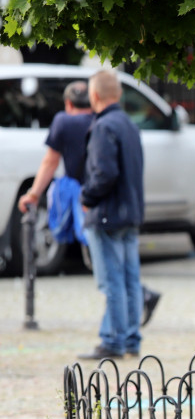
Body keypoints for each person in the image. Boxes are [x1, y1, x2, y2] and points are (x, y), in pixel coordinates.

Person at [18, 82, 160, 326]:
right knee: (121, 269)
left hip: (96, 204)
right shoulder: (116, 121)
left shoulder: (80, 123)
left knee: (108, 272)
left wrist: (36, 194)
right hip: (124, 206)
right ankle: (131, 327)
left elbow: (52, 163)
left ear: (69, 103)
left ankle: (115, 336)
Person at [77, 70, 146, 360]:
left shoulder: (104, 127)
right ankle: (131, 338)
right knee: (130, 279)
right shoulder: (129, 124)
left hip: (107, 213)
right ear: (117, 94)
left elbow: (104, 173)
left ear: (94, 96)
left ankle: (113, 340)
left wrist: (87, 197)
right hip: (129, 211)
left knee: (112, 281)